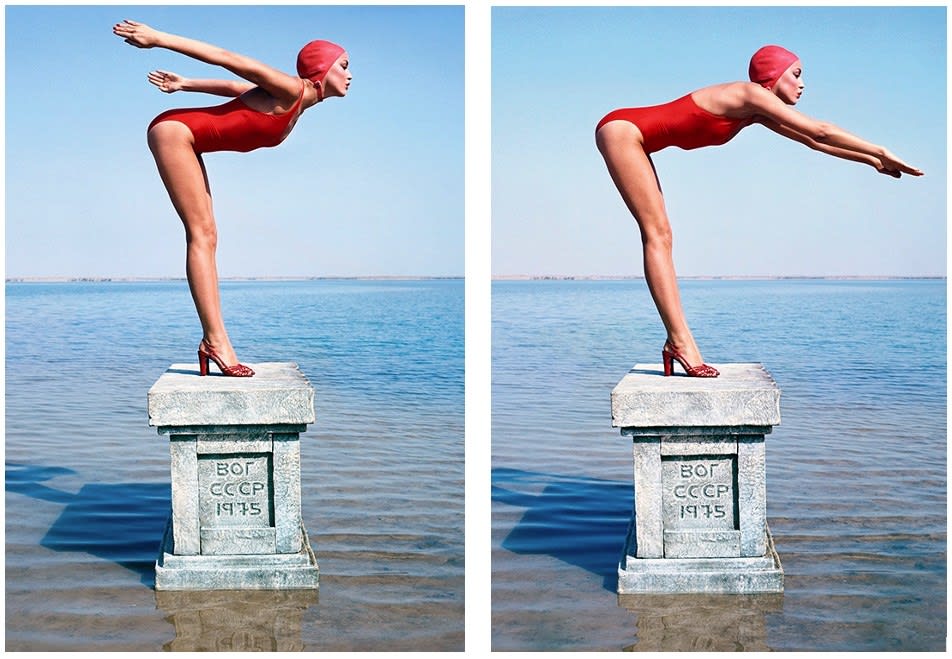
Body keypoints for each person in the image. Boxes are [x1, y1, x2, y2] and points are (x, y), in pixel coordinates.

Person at [595, 45, 922, 378]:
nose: (802, 84)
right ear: (773, 75)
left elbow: (813, 141)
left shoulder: (754, 111)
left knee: (661, 235)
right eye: (796, 74)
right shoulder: (749, 93)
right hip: (622, 131)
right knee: (658, 234)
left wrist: (872, 162)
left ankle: (676, 344)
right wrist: (881, 149)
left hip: (633, 136)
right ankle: (679, 343)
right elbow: (819, 130)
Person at [113, 19, 351, 376]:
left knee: (208, 235)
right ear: (322, 68)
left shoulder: (294, 102)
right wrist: (158, 38)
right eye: (344, 65)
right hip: (175, 134)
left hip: (186, 138)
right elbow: (228, 58)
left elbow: (234, 87)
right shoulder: (290, 89)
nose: (350, 74)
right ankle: (215, 342)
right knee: (202, 234)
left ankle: (214, 341)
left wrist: (185, 84)